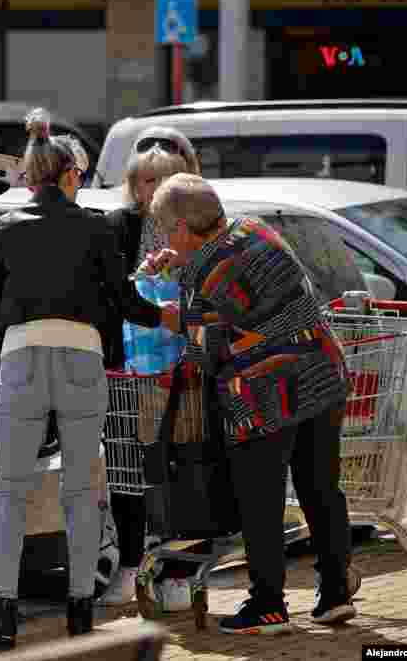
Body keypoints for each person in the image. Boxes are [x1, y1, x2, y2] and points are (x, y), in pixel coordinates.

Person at [0, 109, 163, 654]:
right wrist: (164, 317)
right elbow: (124, 302)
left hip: (22, 358)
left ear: (31, 177)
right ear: (71, 175)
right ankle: (81, 616)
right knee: (81, 495)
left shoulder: (4, 230)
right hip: (82, 360)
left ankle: (3, 621)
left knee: (10, 492)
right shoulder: (98, 228)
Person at [146, 173, 356, 634]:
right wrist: (182, 267)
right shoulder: (255, 228)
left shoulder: (204, 272)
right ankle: (335, 592)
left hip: (266, 391)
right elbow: (245, 295)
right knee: (320, 487)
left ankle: (268, 606)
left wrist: (163, 313)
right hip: (321, 371)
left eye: (165, 229)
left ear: (182, 227)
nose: (163, 238)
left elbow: (205, 350)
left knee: (260, 500)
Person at [98, 127, 201, 609]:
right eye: (141, 182)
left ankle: (177, 573)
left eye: (159, 181)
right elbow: (113, 295)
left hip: (183, 375)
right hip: (129, 373)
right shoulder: (118, 227)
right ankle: (130, 566)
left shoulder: (198, 232)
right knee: (127, 471)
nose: (149, 192)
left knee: (180, 473)